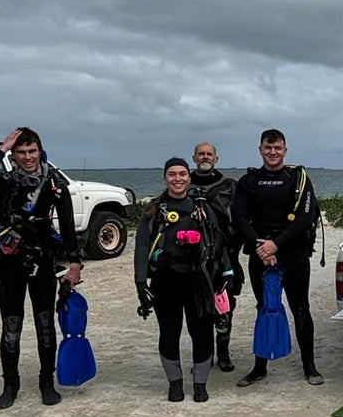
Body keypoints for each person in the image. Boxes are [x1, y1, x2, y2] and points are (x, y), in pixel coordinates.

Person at [0, 127, 83, 410]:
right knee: (11, 327)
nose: (27, 157)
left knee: (45, 324)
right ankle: (10, 384)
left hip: (42, 262)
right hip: (9, 266)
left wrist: (74, 264)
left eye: (32, 151)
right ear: (14, 155)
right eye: (21, 152)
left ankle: (47, 382)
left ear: (40, 150)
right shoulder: (3, 184)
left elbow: (68, 227)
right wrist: (1, 149)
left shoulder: (54, 185)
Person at [231, 129, 323, 386]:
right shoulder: (248, 181)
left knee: (300, 307)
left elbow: (306, 217)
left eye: (278, 148)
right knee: (265, 308)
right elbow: (238, 217)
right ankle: (260, 367)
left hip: (292, 252)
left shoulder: (298, 178)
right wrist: (261, 246)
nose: (273, 152)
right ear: (260, 149)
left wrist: (276, 245)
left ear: (285, 150)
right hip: (260, 253)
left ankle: (310, 366)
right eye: (268, 148)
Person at [134, 157, 230, 402]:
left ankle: (200, 384)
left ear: (189, 177)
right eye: (172, 174)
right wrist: (140, 281)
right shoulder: (154, 210)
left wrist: (226, 273)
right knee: (169, 332)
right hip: (165, 280)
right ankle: (175, 384)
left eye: (182, 174)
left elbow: (217, 242)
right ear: (165, 178)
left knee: (201, 333)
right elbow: (142, 245)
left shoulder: (202, 207)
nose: (177, 179)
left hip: (197, 279)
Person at [190, 141, 242, 373]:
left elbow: (241, 221)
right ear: (194, 158)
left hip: (225, 258)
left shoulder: (229, 186)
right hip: (193, 261)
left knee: (225, 308)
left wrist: (233, 253)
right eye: (201, 154)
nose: (205, 157)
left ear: (216, 159)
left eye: (209, 154)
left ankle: (223, 352)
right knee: (197, 309)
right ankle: (204, 354)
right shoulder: (185, 185)